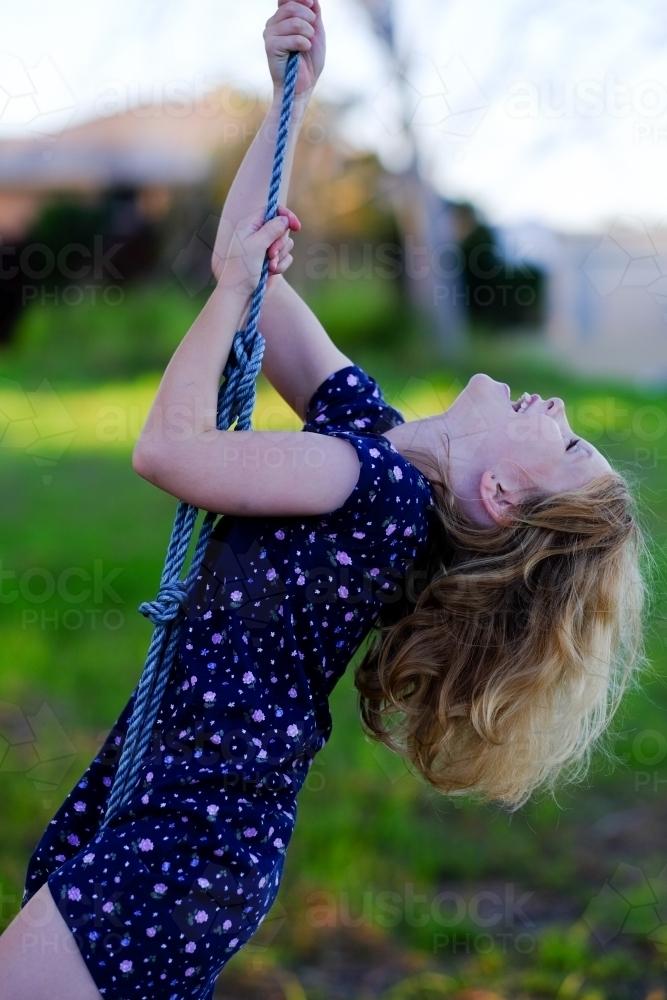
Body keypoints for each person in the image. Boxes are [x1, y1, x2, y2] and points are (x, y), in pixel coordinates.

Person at [0, 1, 645, 997]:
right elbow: (253, 262)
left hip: (189, 839)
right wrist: (286, 100)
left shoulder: (372, 486)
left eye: (562, 437)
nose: (554, 401)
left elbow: (168, 449)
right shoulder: (374, 437)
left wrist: (222, 297)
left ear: (501, 491)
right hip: (178, 812)